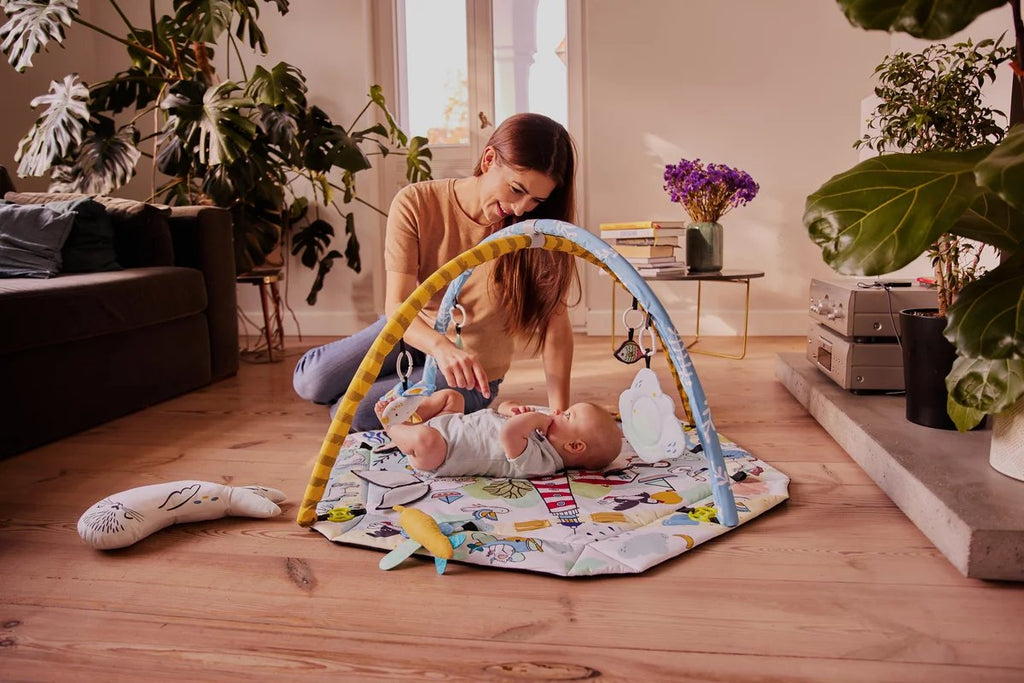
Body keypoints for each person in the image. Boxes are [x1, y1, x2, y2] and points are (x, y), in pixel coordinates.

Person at [293, 113, 579, 431]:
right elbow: (397, 306)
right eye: (516, 189)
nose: (521, 208)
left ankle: (403, 389)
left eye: (536, 200)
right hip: (413, 332)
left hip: (472, 371)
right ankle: (398, 379)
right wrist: (440, 347)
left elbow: (556, 327)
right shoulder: (417, 203)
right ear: (488, 160)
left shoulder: (533, 232)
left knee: (355, 413)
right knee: (311, 380)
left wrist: (560, 416)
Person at [379, 389, 622, 478]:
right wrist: (514, 410)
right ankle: (420, 414)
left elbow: (508, 433)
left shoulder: (542, 463)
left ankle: (394, 427)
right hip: (452, 424)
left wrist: (531, 418)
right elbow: (503, 409)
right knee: (453, 396)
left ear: (574, 447)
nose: (558, 411)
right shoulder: (541, 431)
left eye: (567, 415)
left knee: (426, 440)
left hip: (441, 454)